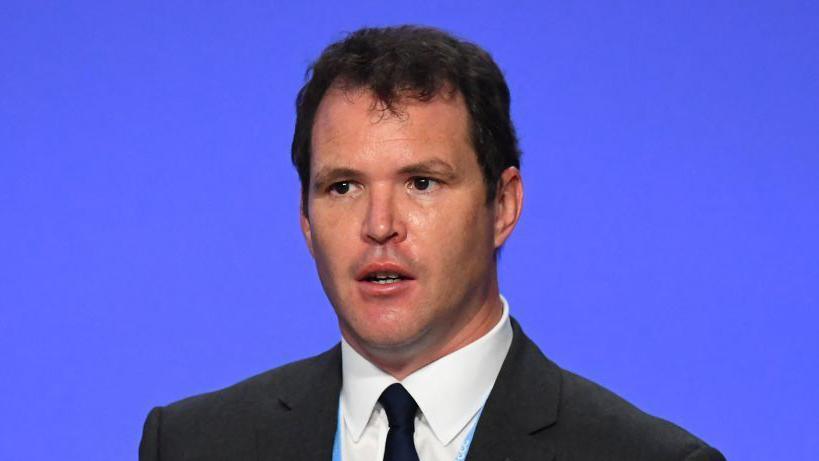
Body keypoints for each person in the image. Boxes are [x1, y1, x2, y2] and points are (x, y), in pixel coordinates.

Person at [139, 25, 724, 461]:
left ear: (504, 205)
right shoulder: (192, 445)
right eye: (342, 186)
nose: (380, 224)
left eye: (422, 182)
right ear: (306, 220)